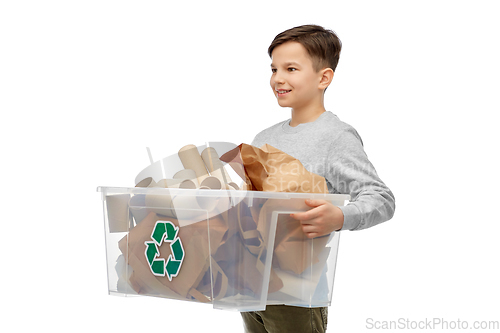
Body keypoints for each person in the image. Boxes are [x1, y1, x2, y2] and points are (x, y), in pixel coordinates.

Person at [240, 25, 396, 333]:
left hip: (297, 289)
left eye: (291, 68)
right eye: (273, 69)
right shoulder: (264, 137)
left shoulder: (336, 137)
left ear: (323, 78)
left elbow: (381, 198)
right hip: (249, 281)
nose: (278, 78)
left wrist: (340, 216)